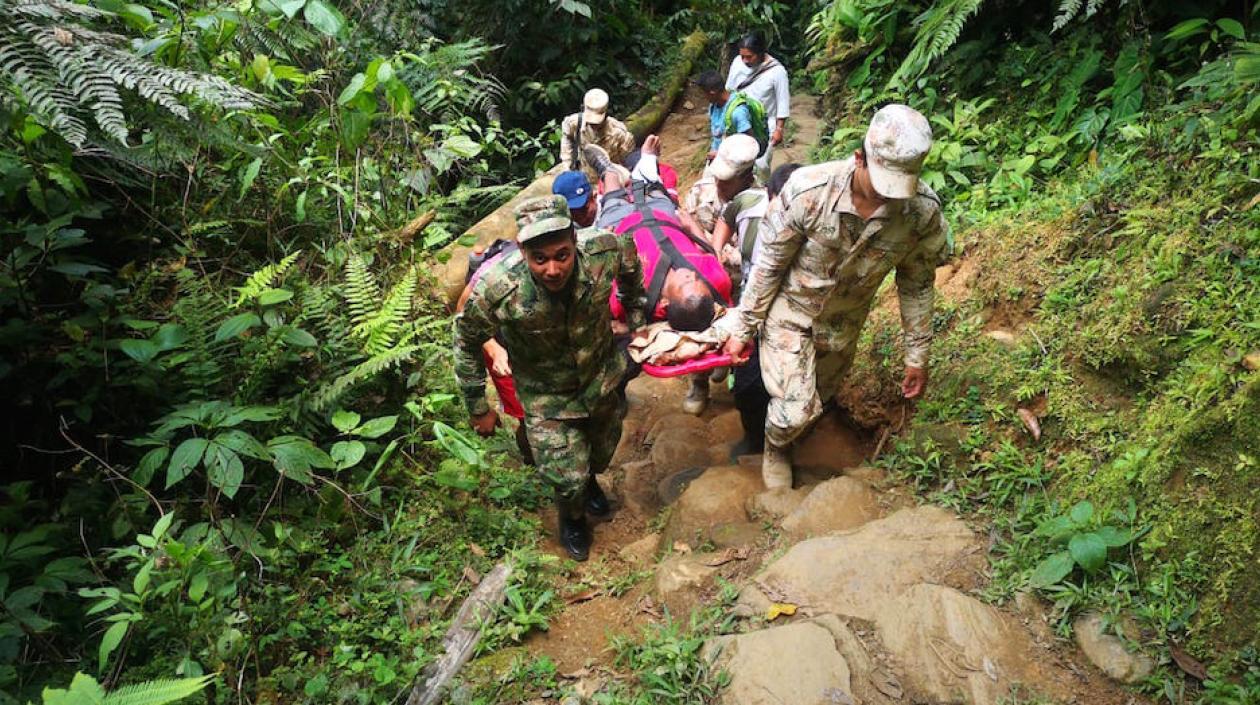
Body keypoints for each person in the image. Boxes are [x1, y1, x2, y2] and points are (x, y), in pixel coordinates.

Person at [716, 105, 949, 489]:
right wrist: (744, 326)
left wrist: (916, 356)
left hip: (843, 328)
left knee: (817, 401)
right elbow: (769, 265)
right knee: (794, 410)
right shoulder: (808, 192)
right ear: (859, 158)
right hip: (791, 315)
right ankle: (775, 448)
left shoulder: (920, 214)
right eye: (881, 185)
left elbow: (917, 284)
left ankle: (790, 432)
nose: (886, 200)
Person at [454, 195, 647, 561]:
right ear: (522, 252)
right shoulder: (499, 288)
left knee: (602, 454)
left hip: (601, 379)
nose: (553, 269)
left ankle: (588, 480)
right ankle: (571, 517)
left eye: (561, 255)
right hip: (547, 397)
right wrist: (478, 406)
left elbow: (632, 268)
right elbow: (465, 340)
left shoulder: (603, 249)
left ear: (575, 242)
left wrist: (637, 323)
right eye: (539, 259)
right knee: (567, 479)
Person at [584, 137, 734, 415]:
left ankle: (607, 169)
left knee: (613, 192)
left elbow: (606, 302)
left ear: (665, 305)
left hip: (620, 226)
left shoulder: (638, 297)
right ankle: (647, 161)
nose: (690, 275)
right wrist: (692, 228)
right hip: (664, 218)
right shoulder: (714, 282)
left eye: (686, 284)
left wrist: (624, 328)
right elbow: (711, 255)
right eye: (696, 280)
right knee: (653, 187)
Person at [708, 142, 799, 457]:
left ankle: (781, 440)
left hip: (788, 310)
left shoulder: (814, 225)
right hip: (751, 305)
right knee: (748, 382)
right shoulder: (747, 203)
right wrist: (717, 252)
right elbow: (725, 220)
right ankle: (754, 437)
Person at [725, 33, 790, 181]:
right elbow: (729, 90)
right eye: (742, 56)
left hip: (764, 125)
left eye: (749, 57)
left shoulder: (777, 72)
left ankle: (763, 191)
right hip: (739, 121)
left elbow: (782, 101)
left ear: (761, 52)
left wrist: (779, 129)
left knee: (761, 165)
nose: (745, 61)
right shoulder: (737, 63)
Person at [559, 88, 636, 184]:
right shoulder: (574, 124)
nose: (593, 125)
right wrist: (568, 168)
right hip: (584, 179)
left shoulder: (619, 133)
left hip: (610, 182)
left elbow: (626, 161)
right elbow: (567, 141)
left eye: (597, 122)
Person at [695, 70, 754, 159]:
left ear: (712, 92)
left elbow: (748, 143)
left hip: (734, 163)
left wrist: (720, 154)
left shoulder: (738, 112)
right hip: (718, 158)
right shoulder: (713, 106)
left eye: (703, 93)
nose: (703, 97)